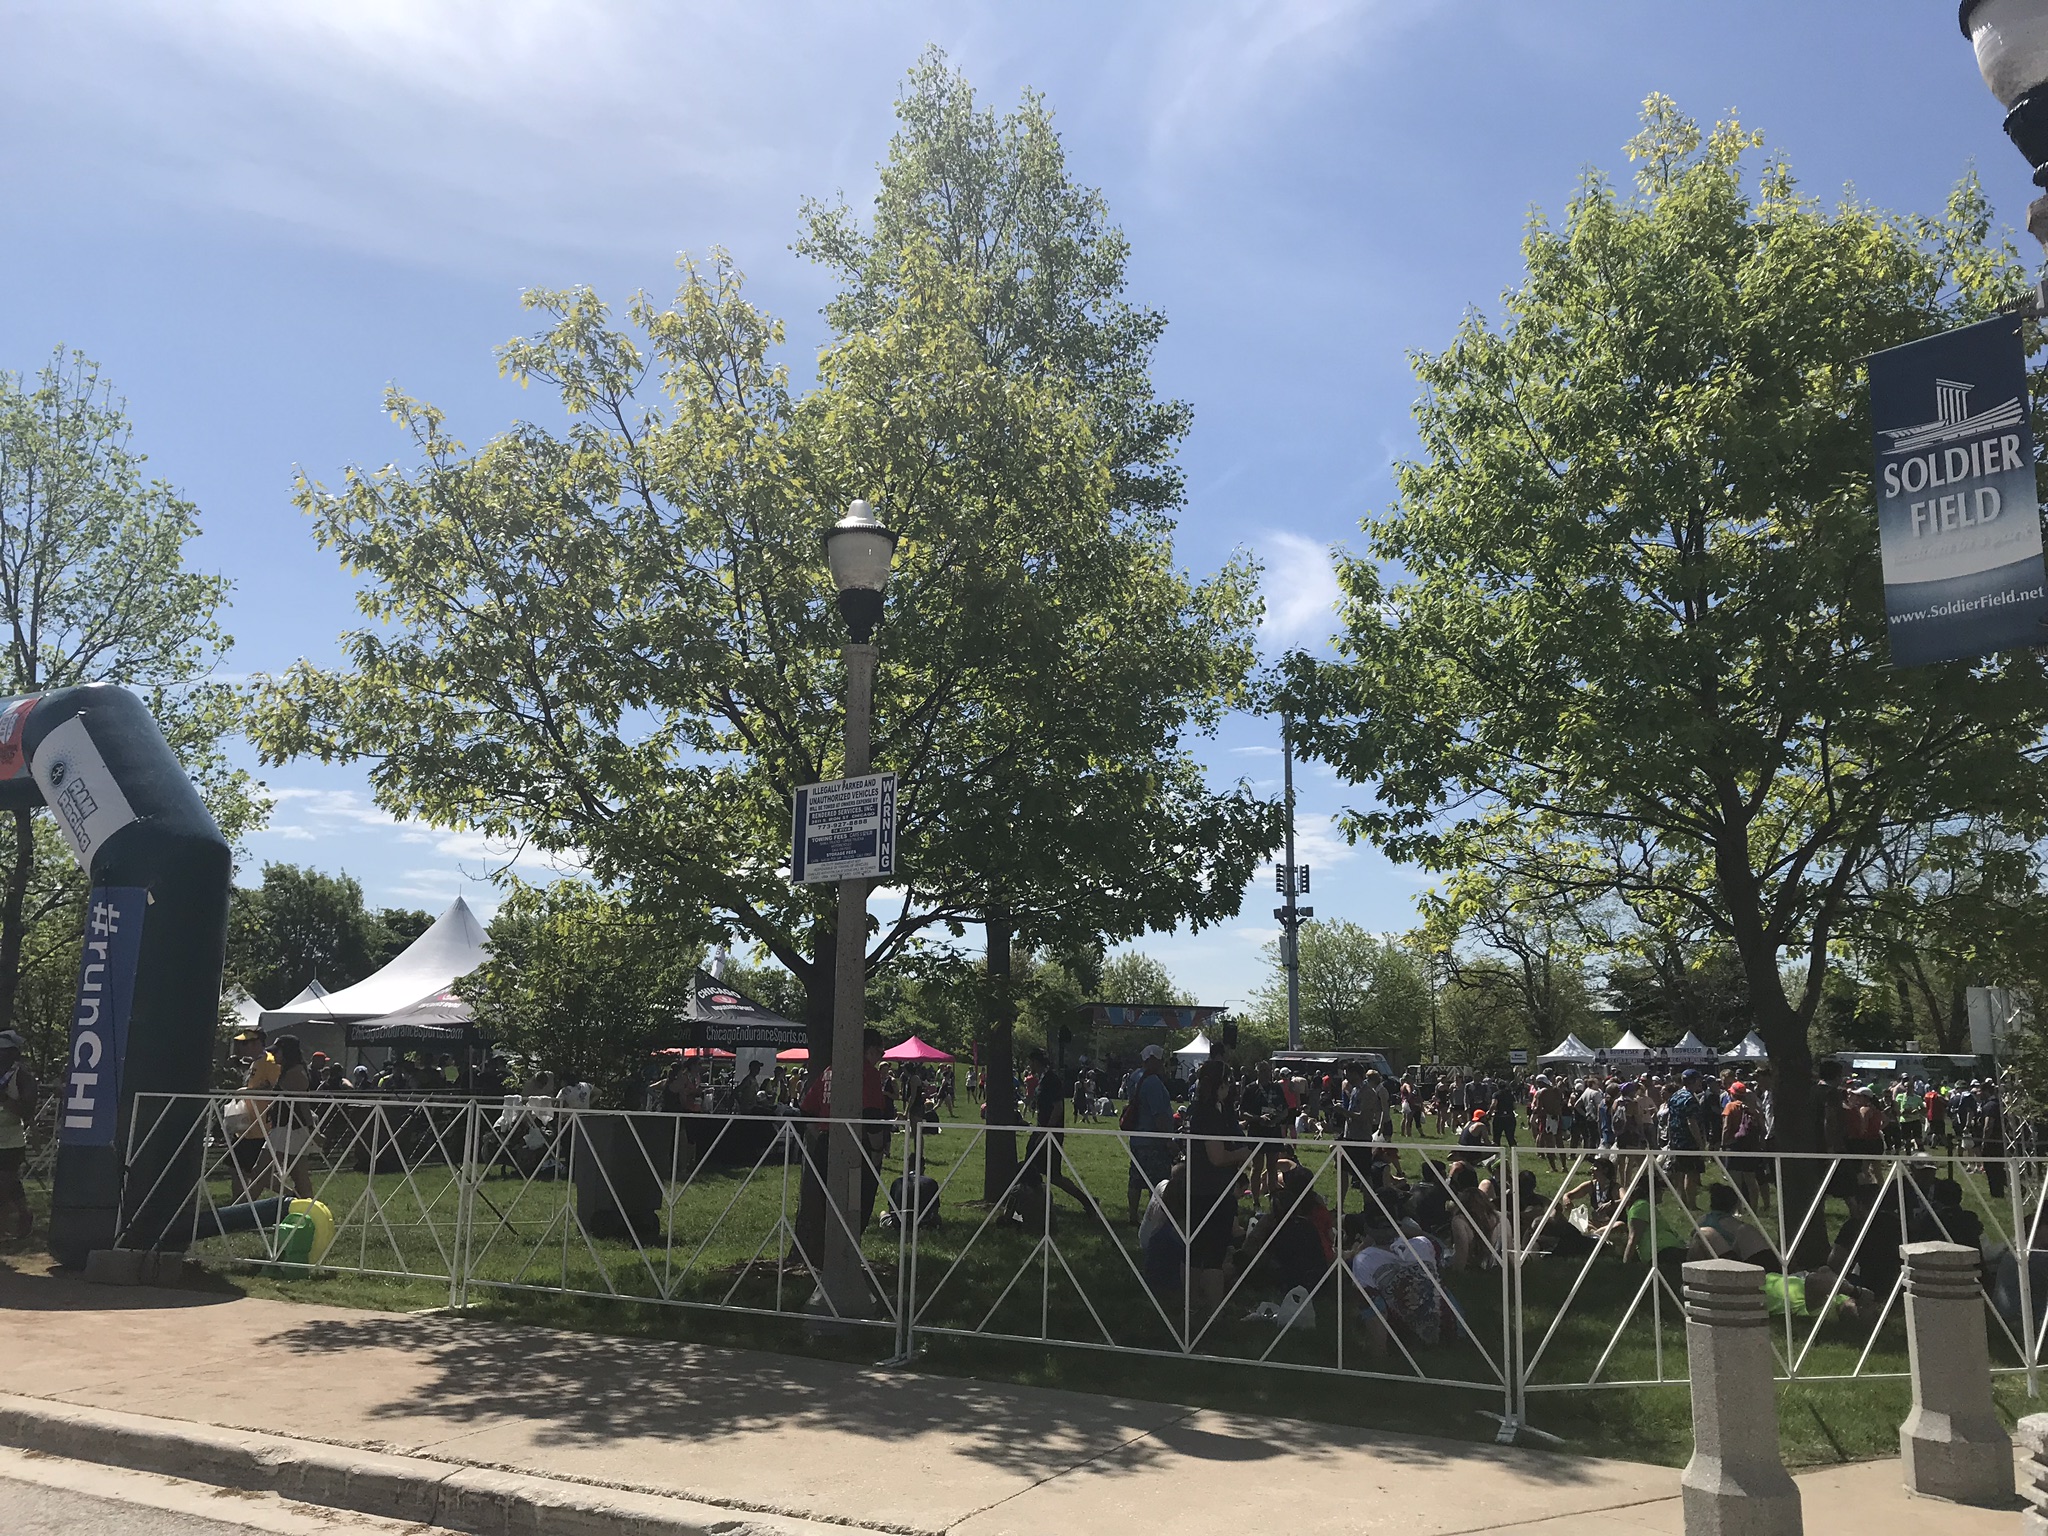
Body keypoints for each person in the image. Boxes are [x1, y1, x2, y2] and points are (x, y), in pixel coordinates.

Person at [1188, 1057, 1251, 1314]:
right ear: (1221, 1084)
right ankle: (1214, 1310)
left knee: (1194, 1250)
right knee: (1212, 1253)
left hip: (1200, 1186)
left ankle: (1191, 1306)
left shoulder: (1204, 1109)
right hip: (1213, 1188)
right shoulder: (1209, 1113)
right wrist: (1242, 1153)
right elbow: (1217, 1157)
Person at [1023, 1046, 1098, 1218]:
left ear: (1036, 1062)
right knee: (1028, 1169)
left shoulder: (1051, 1080)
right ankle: (1033, 1204)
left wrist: (1046, 1131)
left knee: (1054, 1176)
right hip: (1040, 1130)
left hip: (1049, 1133)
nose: (1029, 1065)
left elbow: (1058, 1108)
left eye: (1031, 1061)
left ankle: (1087, 1201)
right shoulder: (1042, 1079)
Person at [1123, 1045, 1175, 1225]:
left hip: (1137, 1138)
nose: (1162, 1065)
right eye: (1160, 1061)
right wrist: (1168, 1140)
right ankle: (1156, 1219)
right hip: (1153, 1140)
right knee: (1159, 1182)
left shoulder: (1134, 1077)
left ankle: (1132, 1216)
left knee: (1136, 1180)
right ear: (1152, 1060)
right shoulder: (1153, 1082)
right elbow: (1158, 1114)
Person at [265, 1034, 317, 1200]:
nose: (273, 1055)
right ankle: (302, 1204)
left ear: (287, 1052)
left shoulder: (295, 1072)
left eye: (276, 1052)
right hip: (286, 1127)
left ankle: (296, 1201)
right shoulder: (289, 1070)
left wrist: (312, 1130)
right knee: (299, 1176)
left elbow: (303, 1104)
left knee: (262, 1173)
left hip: (291, 1128)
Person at [0, 1030, 36, 1240]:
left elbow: (27, 1110)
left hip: (10, 1141)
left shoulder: (22, 1077)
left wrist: (5, 1099)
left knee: (5, 1183)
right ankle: (23, 1213)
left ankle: (14, 1219)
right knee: (10, 1183)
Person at [1663, 1070, 1706, 1211]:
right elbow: (1691, 1122)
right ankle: (1692, 1205)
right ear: (1693, 1081)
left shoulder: (1675, 1096)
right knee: (1691, 1173)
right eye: (1699, 1080)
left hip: (1676, 1140)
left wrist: (1670, 1137)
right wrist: (1700, 1143)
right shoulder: (1690, 1099)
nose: (1700, 1083)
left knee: (1679, 1173)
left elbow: (1670, 1119)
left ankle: (1682, 1203)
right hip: (1689, 1141)